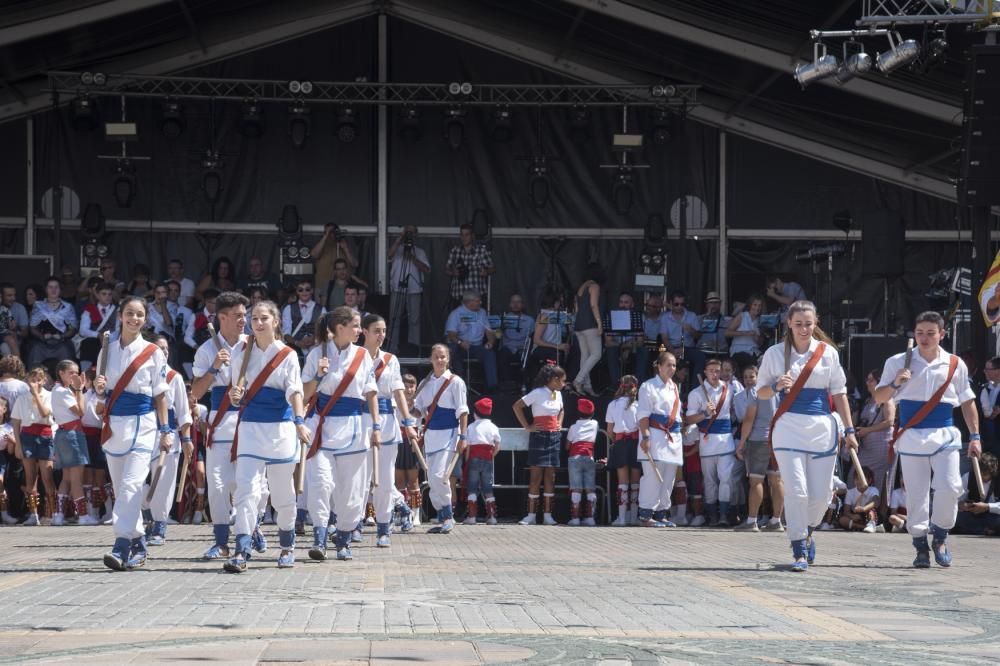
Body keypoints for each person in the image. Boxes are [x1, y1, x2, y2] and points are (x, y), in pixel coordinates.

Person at [874, 310, 980, 569]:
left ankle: (941, 536)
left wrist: (975, 436)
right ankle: (920, 544)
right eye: (920, 332)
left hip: (944, 432)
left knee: (950, 485)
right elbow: (879, 397)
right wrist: (897, 383)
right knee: (917, 493)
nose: (924, 337)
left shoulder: (955, 364)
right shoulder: (897, 361)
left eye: (930, 333)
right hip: (911, 434)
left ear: (942, 334)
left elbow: (967, 402)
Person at [757, 300, 857, 572]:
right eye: (798, 323)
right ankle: (798, 545)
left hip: (822, 428)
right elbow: (761, 392)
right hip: (788, 427)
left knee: (821, 495)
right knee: (797, 491)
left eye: (808, 323)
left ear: (816, 323)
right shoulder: (775, 354)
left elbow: (839, 393)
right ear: (789, 323)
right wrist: (776, 385)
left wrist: (849, 430)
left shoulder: (828, 354)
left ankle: (808, 529)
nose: (803, 328)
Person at [223, 301, 310, 573]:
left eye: (264, 318)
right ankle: (242, 549)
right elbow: (236, 389)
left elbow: (295, 391)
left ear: (275, 322)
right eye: (254, 319)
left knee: (283, 493)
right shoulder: (242, 353)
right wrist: (234, 396)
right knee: (245, 490)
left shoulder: (288, 355)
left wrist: (299, 422)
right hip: (250, 428)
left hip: (281, 430)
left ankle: (287, 544)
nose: (258, 323)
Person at [93, 296, 172, 570]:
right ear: (120, 316)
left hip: (144, 424)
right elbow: (101, 391)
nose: (134, 319)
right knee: (121, 489)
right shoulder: (107, 349)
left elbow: (160, 394)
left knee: (131, 485)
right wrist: (99, 387)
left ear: (145, 319)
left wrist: (165, 430)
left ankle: (121, 544)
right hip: (115, 424)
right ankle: (139, 541)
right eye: (129, 313)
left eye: (139, 314)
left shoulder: (153, 352)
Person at [301, 307, 380, 561]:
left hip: (353, 428)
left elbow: (371, 392)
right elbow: (304, 393)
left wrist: (376, 426)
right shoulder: (316, 354)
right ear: (340, 328)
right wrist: (318, 375)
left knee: (351, 491)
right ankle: (320, 539)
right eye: (356, 326)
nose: (359, 331)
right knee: (321, 484)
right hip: (321, 426)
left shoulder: (363, 356)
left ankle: (344, 539)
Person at [190, 291, 248, 561]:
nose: (243, 320)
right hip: (219, 424)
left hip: (250, 423)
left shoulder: (254, 345)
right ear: (221, 318)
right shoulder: (206, 350)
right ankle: (222, 541)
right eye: (237, 315)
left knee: (248, 485)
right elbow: (197, 392)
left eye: (244, 315)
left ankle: (251, 528)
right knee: (217, 485)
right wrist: (214, 368)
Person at [360, 314, 418, 543]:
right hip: (360, 421)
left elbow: (398, 392)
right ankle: (353, 524)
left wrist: (408, 422)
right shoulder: (354, 356)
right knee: (360, 479)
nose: (381, 335)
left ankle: (384, 528)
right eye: (376, 330)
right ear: (364, 331)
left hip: (386, 422)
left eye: (383, 331)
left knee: (384, 479)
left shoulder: (391, 359)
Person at [141, 336, 193, 545]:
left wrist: (186, 439)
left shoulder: (174, 377)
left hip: (167, 434)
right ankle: (145, 516)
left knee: (164, 481)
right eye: (158, 348)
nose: (163, 352)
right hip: (142, 431)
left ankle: (159, 525)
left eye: (165, 348)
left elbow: (183, 412)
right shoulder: (140, 374)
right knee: (136, 480)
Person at [411, 344, 468, 533]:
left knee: (440, 476)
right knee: (432, 479)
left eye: (443, 356)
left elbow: (462, 410)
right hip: (431, 435)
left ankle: (448, 515)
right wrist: (404, 405)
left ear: (448, 359)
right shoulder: (424, 384)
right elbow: (418, 410)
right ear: (431, 359)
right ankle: (443, 516)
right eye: (436, 357)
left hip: (450, 433)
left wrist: (463, 436)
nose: (440, 360)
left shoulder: (455, 381)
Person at [685, 358, 737, 527]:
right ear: (705, 372)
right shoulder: (696, 393)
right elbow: (689, 419)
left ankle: (724, 515)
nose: (715, 374)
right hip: (707, 442)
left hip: (726, 441)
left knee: (726, 478)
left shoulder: (730, 389)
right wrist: (705, 413)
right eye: (711, 371)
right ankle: (712, 516)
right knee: (709, 481)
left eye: (717, 370)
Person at [734, 365, 785, 533]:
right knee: (776, 481)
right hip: (777, 439)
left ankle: (751, 521)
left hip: (758, 440)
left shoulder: (757, 391)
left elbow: (748, 419)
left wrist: (741, 443)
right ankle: (776, 520)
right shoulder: (781, 390)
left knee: (756, 481)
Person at [514, 364, 566, 525]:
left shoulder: (558, 394)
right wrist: (527, 427)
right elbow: (517, 406)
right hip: (539, 436)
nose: (564, 384)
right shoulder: (537, 392)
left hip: (554, 437)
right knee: (535, 477)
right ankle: (531, 515)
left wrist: (559, 423)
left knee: (550, 478)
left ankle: (548, 515)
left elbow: (562, 410)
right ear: (553, 379)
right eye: (562, 381)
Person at [636, 350, 684, 528]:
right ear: (659, 366)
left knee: (669, 477)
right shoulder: (648, 386)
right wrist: (646, 436)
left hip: (673, 438)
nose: (672, 368)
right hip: (655, 435)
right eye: (668, 365)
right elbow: (643, 414)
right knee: (652, 476)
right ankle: (645, 514)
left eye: (674, 365)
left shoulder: (674, 387)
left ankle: (661, 513)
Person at [50, 360, 97, 526]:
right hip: (72, 434)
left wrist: (77, 389)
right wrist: (79, 389)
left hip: (64, 434)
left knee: (67, 477)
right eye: (71, 373)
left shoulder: (57, 390)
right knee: (76, 477)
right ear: (61, 373)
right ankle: (83, 515)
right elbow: (81, 412)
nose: (75, 376)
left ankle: (58, 515)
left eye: (76, 373)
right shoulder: (63, 392)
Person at [10, 367, 54, 525]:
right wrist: (18, 444)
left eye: (37, 380)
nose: (34, 383)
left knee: (47, 476)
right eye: (31, 380)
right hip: (27, 435)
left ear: (43, 381)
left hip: (45, 434)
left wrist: (36, 395)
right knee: (30, 476)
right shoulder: (22, 398)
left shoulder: (49, 395)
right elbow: (16, 422)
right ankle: (33, 514)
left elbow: (45, 414)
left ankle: (51, 514)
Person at [387, 225, 430, 353]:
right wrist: (401, 237)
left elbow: (427, 269)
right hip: (397, 288)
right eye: (408, 232)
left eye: (412, 232)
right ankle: (392, 348)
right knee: (394, 318)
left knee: (414, 320)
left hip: (415, 289)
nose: (409, 234)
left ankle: (414, 349)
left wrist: (413, 258)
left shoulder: (420, 251)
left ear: (416, 235)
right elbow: (389, 255)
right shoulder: (398, 249)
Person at [445, 290, 498, 392]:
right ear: (469, 302)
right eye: (478, 301)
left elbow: (489, 331)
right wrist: (461, 342)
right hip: (460, 346)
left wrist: (491, 341)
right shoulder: (456, 314)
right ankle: (459, 385)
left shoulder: (482, 313)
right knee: (453, 351)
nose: (480, 303)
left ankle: (492, 387)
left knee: (489, 353)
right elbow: (451, 334)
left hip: (477, 347)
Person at [606, 375, 641, 526]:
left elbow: (609, 430)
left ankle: (621, 518)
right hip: (636, 443)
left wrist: (616, 440)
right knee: (635, 482)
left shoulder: (613, 404)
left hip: (620, 443)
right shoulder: (639, 405)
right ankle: (633, 517)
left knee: (622, 482)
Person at [462, 397, 501, 525]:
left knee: (472, 487)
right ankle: (492, 517)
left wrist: (467, 460)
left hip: (473, 459)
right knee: (487, 487)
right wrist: (491, 456)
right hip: (488, 460)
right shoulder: (493, 427)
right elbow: (497, 446)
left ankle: (472, 517)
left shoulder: (471, 427)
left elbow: (468, 447)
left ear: (476, 413)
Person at [855, 369, 896, 490]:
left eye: (871, 380)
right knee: (857, 474)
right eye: (867, 380)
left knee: (875, 477)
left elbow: (890, 421)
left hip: (881, 447)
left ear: (879, 382)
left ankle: (872, 505)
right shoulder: (868, 401)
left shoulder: (887, 399)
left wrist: (867, 431)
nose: (867, 382)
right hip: (867, 447)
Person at [28, 277, 77, 368]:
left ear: (60, 289)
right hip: (42, 342)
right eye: (50, 287)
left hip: (62, 342)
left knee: (67, 359)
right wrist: (41, 336)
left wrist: (62, 336)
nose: (53, 290)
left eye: (56, 287)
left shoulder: (68, 307)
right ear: (46, 289)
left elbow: (73, 329)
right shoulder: (38, 306)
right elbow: (32, 328)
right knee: (34, 351)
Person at [572, 263, 604, 397]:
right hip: (589, 323)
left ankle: (587, 386)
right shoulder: (594, 286)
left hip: (579, 324)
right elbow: (593, 305)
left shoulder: (581, 287)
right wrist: (599, 323)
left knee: (585, 355)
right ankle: (578, 381)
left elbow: (577, 308)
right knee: (596, 354)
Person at [565, 397, 598, 526]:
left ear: (578, 413)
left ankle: (575, 519)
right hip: (589, 457)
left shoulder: (573, 427)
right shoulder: (595, 424)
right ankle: (590, 518)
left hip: (575, 457)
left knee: (576, 488)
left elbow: (567, 446)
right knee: (590, 488)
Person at [395, 373, 422, 524]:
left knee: (413, 480)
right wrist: (403, 404)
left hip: (413, 442)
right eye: (405, 386)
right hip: (398, 439)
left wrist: (411, 406)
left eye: (411, 386)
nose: (408, 389)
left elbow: (419, 414)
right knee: (399, 480)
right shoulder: (395, 400)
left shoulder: (419, 402)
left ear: (416, 387)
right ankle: (401, 514)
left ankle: (415, 514)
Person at [446, 223, 494, 308]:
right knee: (459, 319)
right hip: (459, 295)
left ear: (472, 236)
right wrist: (453, 272)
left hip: (476, 295)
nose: (464, 237)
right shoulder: (455, 251)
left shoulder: (481, 250)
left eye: (467, 235)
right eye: (462, 235)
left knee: (476, 320)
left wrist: (486, 271)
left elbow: (492, 268)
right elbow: (447, 269)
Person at [528, 290, 572, 380]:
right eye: (559, 301)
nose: (560, 304)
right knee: (554, 355)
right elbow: (536, 340)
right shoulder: (545, 316)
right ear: (555, 303)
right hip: (542, 350)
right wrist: (558, 346)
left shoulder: (559, 316)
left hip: (554, 348)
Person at [661, 290, 704, 384]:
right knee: (660, 358)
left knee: (700, 357)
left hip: (688, 348)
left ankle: (695, 390)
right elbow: (664, 338)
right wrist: (672, 351)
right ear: (671, 303)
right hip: (671, 348)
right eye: (676, 304)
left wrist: (691, 330)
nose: (679, 306)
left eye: (682, 304)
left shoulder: (692, 316)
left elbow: (698, 336)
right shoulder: (665, 317)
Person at [311, 223, 359, 305]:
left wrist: (345, 248)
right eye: (329, 232)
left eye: (333, 232)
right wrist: (326, 236)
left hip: (343, 286)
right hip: (322, 285)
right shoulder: (322, 244)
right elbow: (313, 254)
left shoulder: (344, 244)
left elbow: (355, 264)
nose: (331, 234)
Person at [603, 292, 644, 389]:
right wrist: (622, 346)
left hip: (632, 348)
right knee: (611, 350)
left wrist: (628, 348)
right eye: (621, 302)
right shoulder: (611, 317)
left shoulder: (637, 318)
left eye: (626, 302)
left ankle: (638, 386)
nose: (623, 305)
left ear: (632, 304)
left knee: (643, 351)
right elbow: (608, 342)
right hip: (617, 347)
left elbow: (640, 341)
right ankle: (617, 385)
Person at [955, 452, 999, 534]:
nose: (981, 478)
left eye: (985, 475)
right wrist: (962, 504)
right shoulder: (968, 477)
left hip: (993, 515)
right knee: (956, 517)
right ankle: (986, 530)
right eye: (979, 474)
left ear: (992, 472)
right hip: (972, 516)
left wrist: (987, 507)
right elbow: (957, 499)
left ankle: (980, 530)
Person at [497, 294, 535, 387]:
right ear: (510, 304)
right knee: (502, 354)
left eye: (518, 302)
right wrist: (501, 328)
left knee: (532, 357)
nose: (515, 304)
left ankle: (527, 385)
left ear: (522, 305)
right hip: (508, 348)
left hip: (523, 349)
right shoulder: (504, 319)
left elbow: (533, 337)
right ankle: (506, 385)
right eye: (513, 302)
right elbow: (497, 336)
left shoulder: (529, 320)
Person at [78, 283, 118, 372]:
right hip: (93, 343)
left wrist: (106, 338)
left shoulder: (117, 311)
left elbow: (117, 330)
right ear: (97, 295)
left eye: (109, 294)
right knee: (88, 344)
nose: (107, 297)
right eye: (104, 294)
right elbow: (83, 330)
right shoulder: (89, 309)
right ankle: (86, 375)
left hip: (112, 342)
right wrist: (98, 335)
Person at [282, 279, 325, 356]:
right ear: (297, 292)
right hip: (295, 349)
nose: (304, 292)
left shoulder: (321, 309)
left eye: (307, 289)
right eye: (300, 290)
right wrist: (297, 342)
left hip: (316, 348)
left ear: (312, 291)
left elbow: (324, 331)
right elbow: (285, 333)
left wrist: (314, 338)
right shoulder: (288, 309)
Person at [726, 294, 765, 367]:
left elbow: (760, 343)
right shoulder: (742, 316)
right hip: (739, 350)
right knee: (750, 361)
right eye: (755, 305)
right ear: (750, 305)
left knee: (766, 360)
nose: (757, 308)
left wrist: (757, 339)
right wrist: (745, 333)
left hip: (754, 351)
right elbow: (727, 333)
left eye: (760, 305)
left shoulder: (760, 320)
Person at [838, 466, 880, 532]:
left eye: (862, 479)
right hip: (856, 516)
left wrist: (864, 508)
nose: (859, 481)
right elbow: (846, 511)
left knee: (871, 510)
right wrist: (852, 516)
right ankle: (863, 527)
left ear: (869, 480)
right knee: (842, 520)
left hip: (867, 514)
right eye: (857, 479)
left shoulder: (873, 490)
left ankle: (871, 524)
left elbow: (876, 501)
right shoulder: (850, 492)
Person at [980, 357, 1000, 456]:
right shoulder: (984, 388)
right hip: (987, 442)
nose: (984, 371)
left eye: (988, 369)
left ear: (998, 371)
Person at [0, 396, 16, 524]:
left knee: (0, 482)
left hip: (1, 457)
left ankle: (4, 514)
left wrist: (12, 442)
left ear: (4, 409)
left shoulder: (9, 428)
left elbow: (10, 452)